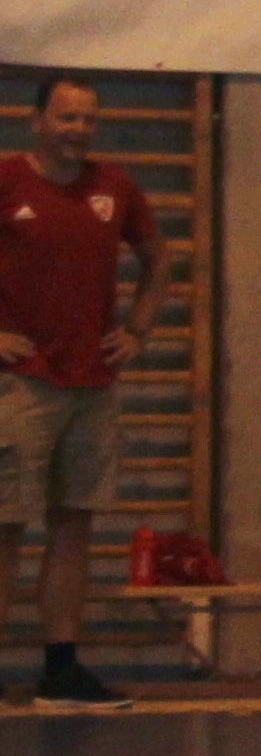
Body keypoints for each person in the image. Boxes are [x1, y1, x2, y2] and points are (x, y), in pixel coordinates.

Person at [1, 71, 174, 710]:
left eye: (88, 119)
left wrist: (138, 330)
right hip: (21, 385)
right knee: (5, 527)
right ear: (37, 121)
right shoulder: (8, 180)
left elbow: (158, 258)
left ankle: (61, 668)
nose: (79, 129)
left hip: (92, 384)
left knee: (73, 525)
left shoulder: (115, 187)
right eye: (67, 117)